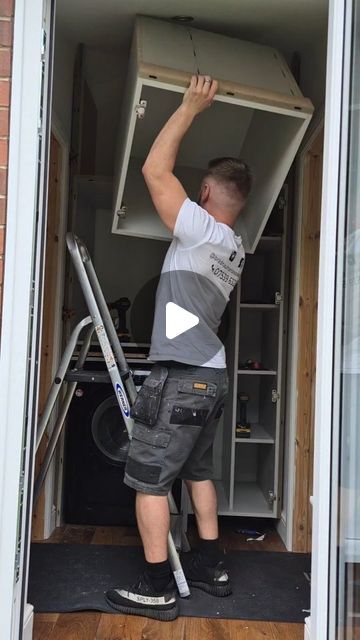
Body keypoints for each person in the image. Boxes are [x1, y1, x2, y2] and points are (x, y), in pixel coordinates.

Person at [106, 75, 252, 621]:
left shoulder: (202, 232)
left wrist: (190, 106)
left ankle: (156, 587)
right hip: (210, 376)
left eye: (200, 191)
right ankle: (212, 567)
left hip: (184, 376)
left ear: (208, 195)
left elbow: (153, 170)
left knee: (149, 479)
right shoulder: (235, 247)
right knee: (197, 473)